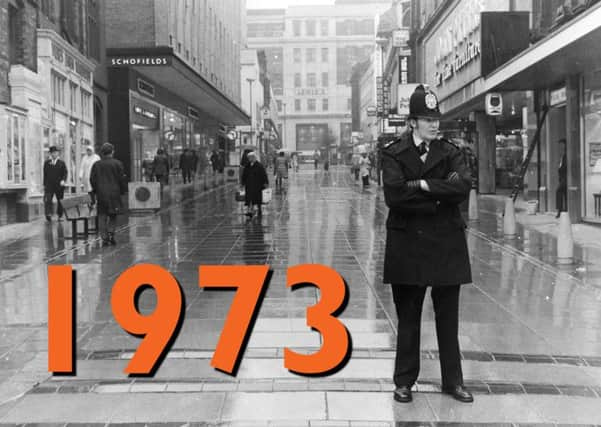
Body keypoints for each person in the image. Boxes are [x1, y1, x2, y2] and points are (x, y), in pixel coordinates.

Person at [381, 84, 473, 404]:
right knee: (409, 318)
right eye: (426, 118)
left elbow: (462, 188)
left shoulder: (451, 151)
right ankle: (404, 381)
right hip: (408, 246)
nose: (434, 124)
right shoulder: (393, 152)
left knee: (448, 318)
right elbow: (394, 195)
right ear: (412, 122)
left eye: (436, 118)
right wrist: (439, 194)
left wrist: (420, 184)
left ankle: (454, 381)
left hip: (446, 244)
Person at [90, 143, 128, 246]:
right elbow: (122, 179)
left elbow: (92, 179)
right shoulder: (118, 163)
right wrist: (123, 191)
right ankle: (111, 233)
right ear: (112, 152)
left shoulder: (96, 165)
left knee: (102, 216)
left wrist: (95, 190)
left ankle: (104, 237)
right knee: (113, 215)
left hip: (101, 194)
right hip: (114, 193)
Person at [43, 146, 68, 222]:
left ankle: (60, 215)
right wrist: (44, 185)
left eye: (56, 152)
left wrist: (63, 180)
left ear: (58, 153)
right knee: (48, 200)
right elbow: (45, 174)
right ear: (50, 153)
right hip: (49, 185)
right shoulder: (47, 163)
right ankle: (48, 214)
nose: (54, 154)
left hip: (59, 185)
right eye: (53, 153)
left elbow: (65, 173)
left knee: (60, 200)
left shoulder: (61, 163)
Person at [241, 151, 268, 218]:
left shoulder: (259, 165)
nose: (250, 159)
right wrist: (243, 182)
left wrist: (265, 182)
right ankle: (250, 211)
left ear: (254, 157)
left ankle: (259, 209)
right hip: (249, 184)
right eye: (249, 158)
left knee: (257, 198)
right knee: (249, 198)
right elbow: (244, 175)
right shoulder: (247, 166)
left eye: (251, 157)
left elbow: (263, 174)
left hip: (257, 185)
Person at [556, 139, 567, 218]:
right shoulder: (563, 156)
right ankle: (562, 210)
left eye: (562, 145)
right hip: (562, 179)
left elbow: (564, 167)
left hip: (565, 179)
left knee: (559, 191)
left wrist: (560, 168)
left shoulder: (566, 155)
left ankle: (560, 210)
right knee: (563, 193)